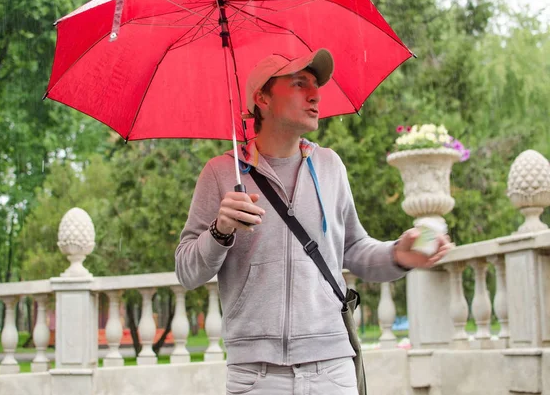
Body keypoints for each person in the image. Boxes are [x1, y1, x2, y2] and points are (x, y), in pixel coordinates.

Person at [175, 48, 453, 395]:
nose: (315, 93)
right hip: (255, 377)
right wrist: (220, 230)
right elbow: (187, 271)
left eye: (315, 84)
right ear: (262, 97)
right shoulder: (220, 173)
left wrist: (399, 255)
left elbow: (353, 247)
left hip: (332, 369)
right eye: (298, 83)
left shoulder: (330, 165)